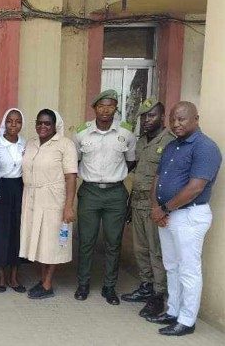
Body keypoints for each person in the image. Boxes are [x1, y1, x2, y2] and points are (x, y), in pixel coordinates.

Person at [146, 102, 221, 336]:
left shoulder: (205, 147)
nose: (176, 124)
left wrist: (164, 209)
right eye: (173, 119)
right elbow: (157, 179)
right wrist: (156, 206)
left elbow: (195, 187)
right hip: (167, 215)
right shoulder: (171, 146)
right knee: (172, 266)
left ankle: (187, 320)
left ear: (196, 119)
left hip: (189, 215)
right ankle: (173, 310)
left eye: (182, 119)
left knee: (188, 269)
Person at [73, 89, 136, 305]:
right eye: (101, 106)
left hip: (115, 193)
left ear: (115, 108)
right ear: (94, 109)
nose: (106, 110)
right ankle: (83, 284)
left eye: (110, 106)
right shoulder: (82, 133)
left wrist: (113, 177)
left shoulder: (126, 133)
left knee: (113, 242)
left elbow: (131, 161)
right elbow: (76, 161)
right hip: (90, 192)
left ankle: (109, 287)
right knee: (86, 241)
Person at [121, 98, 174, 317]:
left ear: (162, 117)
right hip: (138, 204)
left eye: (151, 115)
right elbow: (138, 175)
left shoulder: (170, 141)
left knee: (156, 252)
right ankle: (145, 286)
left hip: (156, 206)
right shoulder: (141, 141)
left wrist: (162, 207)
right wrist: (130, 204)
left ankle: (158, 294)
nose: (146, 120)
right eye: (143, 116)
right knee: (141, 250)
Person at [20, 109, 78, 299]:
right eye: (39, 123)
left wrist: (68, 206)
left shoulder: (65, 144)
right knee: (37, 240)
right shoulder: (31, 143)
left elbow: (71, 177)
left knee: (51, 241)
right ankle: (42, 278)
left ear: (55, 126)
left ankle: (47, 284)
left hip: (54, 199)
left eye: (47, 124)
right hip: (31, 197)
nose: (42, 127)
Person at [0, 108, 26, 292]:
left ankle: (14, 277)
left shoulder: (25, 144)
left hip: (20, 190)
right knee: (0, 233)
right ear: (4, 123)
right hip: (0, 191)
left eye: (18, 121)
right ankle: (1, 277)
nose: (13, 125)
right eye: (10, 121)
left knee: (17, 232)